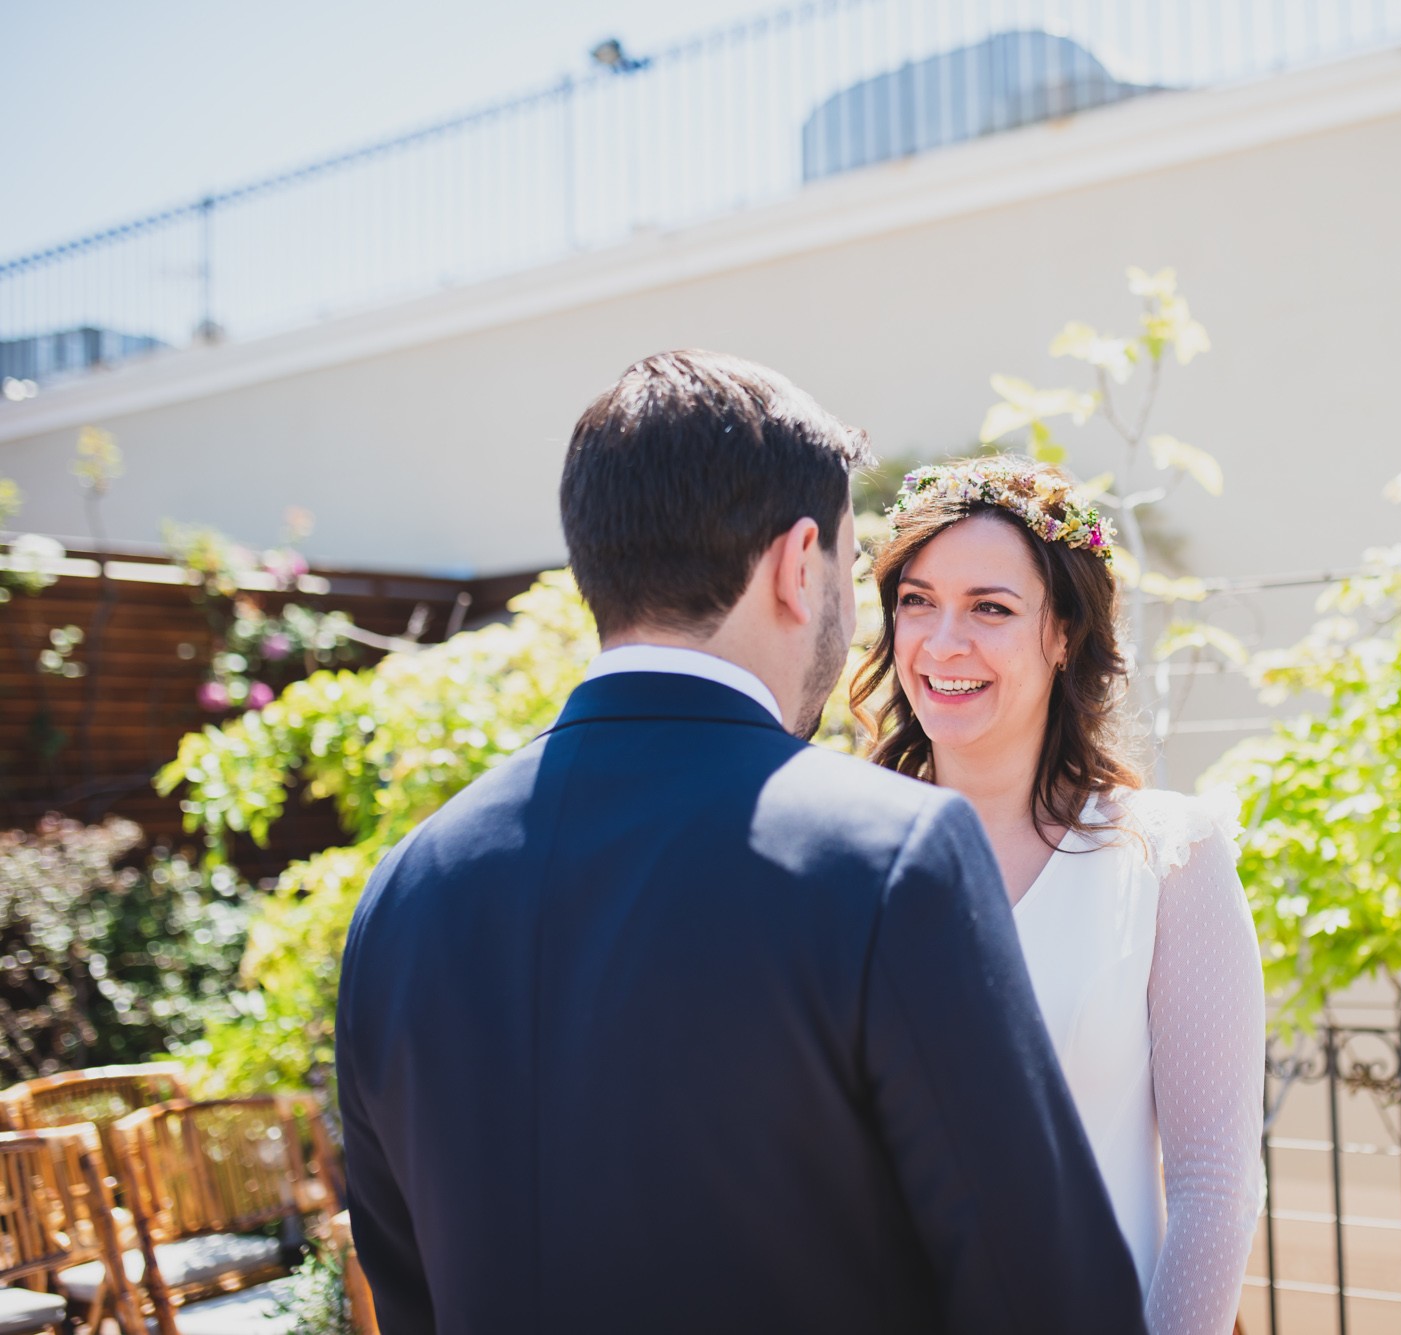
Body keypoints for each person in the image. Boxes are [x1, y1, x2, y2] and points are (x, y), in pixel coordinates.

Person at [336, 352, 1148, 1335]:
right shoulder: (887, 858)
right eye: (851, 566)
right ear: (797, 565)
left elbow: (407, 1295)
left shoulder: (403, 892)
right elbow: (1052, 1299)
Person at [851, 455, 1267, 1335]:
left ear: (1065, 633)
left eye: (990, 608)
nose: (943, 641)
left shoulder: (1166, 855)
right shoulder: (838, 853)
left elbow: (1214, 1184)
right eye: (918, 600)